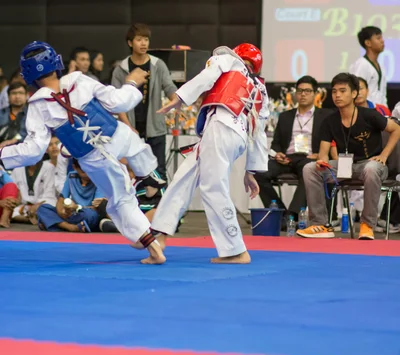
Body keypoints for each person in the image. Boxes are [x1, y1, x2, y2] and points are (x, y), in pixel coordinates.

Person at [0, 41, 166, 264]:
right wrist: (131, 83)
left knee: (120, 200)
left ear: (28, 74)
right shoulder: (79, 80)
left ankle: (152, 247)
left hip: (95, 159)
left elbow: (33, 150)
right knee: (141, 158)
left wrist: (3, 154)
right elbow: (118, 102)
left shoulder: (39, 105)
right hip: (120, 136)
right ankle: (150, 182)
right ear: (56, 62)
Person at [150, 43, 269, 264]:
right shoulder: (260, 88)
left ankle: (235, 249)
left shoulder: (229, 60)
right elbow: (258, 132)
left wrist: (180, 97)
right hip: (236, 136)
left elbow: (209, 74)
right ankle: (159, 235)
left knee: (213, 186)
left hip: (221, 127)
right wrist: (251, 170)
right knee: (183, 178)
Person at [297, 73, 400, 240]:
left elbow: (396, 129)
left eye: (343, 91)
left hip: (373, 165)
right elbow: (323, 150)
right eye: (335, 91)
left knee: (371, 168)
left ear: (354, 94)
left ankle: (367, 225)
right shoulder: (329, 120)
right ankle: (319, 224)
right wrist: (322, 160)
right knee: (310, 168)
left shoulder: (370, 115)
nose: (337, 95)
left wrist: (383, 155)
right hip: (345, 166)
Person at [255, 75, 331, 219]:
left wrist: (320, 154)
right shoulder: (285, 116)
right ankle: (279, 212)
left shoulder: (325, 116)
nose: (303, 94)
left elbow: (330, 140)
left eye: (308, 91)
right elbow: (276, 143)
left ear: (315, 94)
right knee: (258, 172)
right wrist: (277, 154)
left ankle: (293, 213)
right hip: (287, 158)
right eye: (300, 91)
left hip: (309, 157)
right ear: (295, 94)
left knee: (309, 171)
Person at [112, 23, 177, 180]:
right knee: (133, 172)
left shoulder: (157, 64)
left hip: (155, 127)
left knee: (159, 172)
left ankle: (159, 204)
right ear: (130, 43)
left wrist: (176, 99)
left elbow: (169, 87)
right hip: (129, 128)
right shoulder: (121, 69)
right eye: (139, 39)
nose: (144, 44)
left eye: (146, 40)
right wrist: (128, 125)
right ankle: (138, 204)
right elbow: (115, 101)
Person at [37, 159, 103, 232]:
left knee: (91, 215)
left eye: (89, 169)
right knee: (43, 208)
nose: (87, 173)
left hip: (85, 213)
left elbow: (96, 208)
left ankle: (56, 224)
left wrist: (77, 207)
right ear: (75, 167)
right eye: (83, 171)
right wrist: (62, 212)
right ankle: (71, 227)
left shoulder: (99, 179)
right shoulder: (71, 175)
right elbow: (61, 199)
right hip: (71, 213)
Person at [349, 26, 387, 107]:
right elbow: (357, 92)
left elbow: (383, 94)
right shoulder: (361, 64)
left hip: (380, 112)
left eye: (382, 38)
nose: (382, 41)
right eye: (378, 38)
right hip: (367, 112)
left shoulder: (381, 66)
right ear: (368, 43)